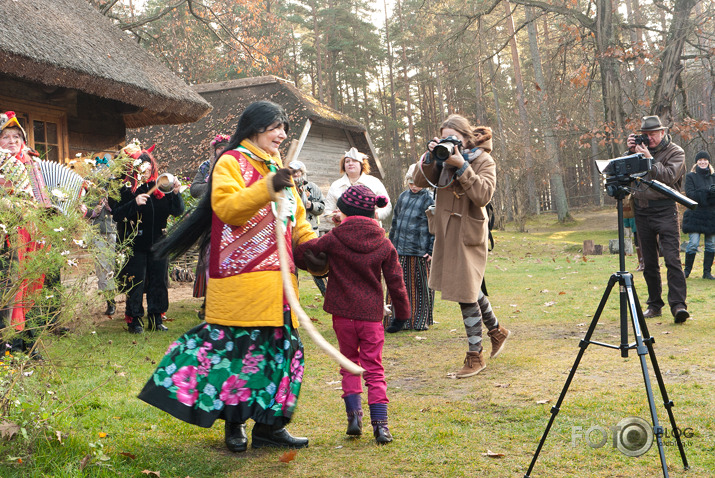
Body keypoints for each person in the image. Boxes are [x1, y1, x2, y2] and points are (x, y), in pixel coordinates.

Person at [138, 101, 318, 453]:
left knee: (281, 352)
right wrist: (268, 186)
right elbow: (228, 209)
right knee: (239, 352)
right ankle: (234, 427)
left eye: (284, 129)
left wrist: (312, 248)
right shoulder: (230, 162)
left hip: (280, 283)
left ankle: (270, 427)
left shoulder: (276, 167)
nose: (282, 134)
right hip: (241, 281)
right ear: (254, 128)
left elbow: (297, 218)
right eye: (275, 127)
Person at [294, 184, 410, 444]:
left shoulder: (335, 237)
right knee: (374, 368)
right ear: (372, 213)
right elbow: (396, 283)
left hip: (342, 314)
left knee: (349, 362)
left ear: (344, 211)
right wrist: (402, 315)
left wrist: (307, 261)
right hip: (371, 316)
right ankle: (381, 427)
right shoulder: (384, 242)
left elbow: (304, 251)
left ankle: (354, 417)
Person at [412, 114, 510, 378]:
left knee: (465, 293)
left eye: (453, 138)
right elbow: (418, 182)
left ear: (466, 138)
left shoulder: (483, 160)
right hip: (445, 232)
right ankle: (497, 332)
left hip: (468, 232)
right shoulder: (441, 160)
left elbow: (483, 195)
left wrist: (462, 167)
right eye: (444, 137)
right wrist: (431, 157)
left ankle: (475, 356)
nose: (449, 142)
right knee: (468, 288)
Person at [109, 144, 185, 334]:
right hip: (134, 242)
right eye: (141, 165)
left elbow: (177, 211)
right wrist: (134, 204)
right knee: (136, 281)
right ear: (132, 168)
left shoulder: (160, 186)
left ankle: (156, 317)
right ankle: (134, 319)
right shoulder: (122, 188)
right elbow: (117, 215)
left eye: (149, 165)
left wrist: (176, 194)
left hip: (158, 241)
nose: (147, 168)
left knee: (159, 280)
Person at [626, 116, 689, 323]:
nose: (650, 138)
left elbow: (669, 177)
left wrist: (649, 160)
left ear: (663, 132)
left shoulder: (676, 152)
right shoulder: (639, 151)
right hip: (642, 211)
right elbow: (625, 174)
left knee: (672, 259)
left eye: (653, 134)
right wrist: (630, 153)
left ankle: (678, 305)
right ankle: (654, 305)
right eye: (646, 134)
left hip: (665, 210)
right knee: (649, 263)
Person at [0, 111, 51, 356]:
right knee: (14, 287)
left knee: (33, 283)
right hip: (9, 233)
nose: (12, 141)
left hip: (33, 230)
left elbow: (44, 199)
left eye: (16, 137)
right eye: (6, 136)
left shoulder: (33, 163)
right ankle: (13, 344)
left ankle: (31, 342)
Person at [386, 163, 435, 332]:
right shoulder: (402, 196)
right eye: (410, 182)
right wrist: (390, 246)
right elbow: (395, 222)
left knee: (420, 288)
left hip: (419, 252)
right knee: (399, 286)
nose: (413, 186)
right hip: (399, 250)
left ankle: (420, 321)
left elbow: (435, 227)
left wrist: (431, 250)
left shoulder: (429, 198)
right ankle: (399, 320)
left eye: (417, 182)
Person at [190, 134, 230, 320]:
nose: (221, 151)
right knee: (208, 260)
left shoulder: (234, 164)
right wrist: (214, 186)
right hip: (209, 220)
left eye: (225, 147)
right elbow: (194, 189)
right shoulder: (206, 166)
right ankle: (208, 303)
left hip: (229, 220)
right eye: (219, 148)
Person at [80, 155, 117, 316]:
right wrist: (91, 211)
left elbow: (122, 208)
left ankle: (130, 301)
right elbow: (84, 210)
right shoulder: (89, 188)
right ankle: (111, 302)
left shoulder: (116, 186)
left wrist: (110, 204)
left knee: (118, 265)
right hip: (97, 231)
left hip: (115, 229)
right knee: (103, 267)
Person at [323, 148, 391, 227]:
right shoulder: (336, 185)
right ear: (343, 165)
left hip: (370, 230)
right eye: (347, 161)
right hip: (344, 232)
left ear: (361, 164)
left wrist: (374, 215)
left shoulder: (374, 182)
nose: (350, 163)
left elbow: (387, 206)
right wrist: (337, 217)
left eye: (354, 161)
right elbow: (327, 211)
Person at [289, 160, 328, 295]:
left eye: (298, 171)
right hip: (291, 232)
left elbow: (322, 207)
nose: (295, 174)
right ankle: (294, 295)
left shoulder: (312, 187)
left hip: (310, 231)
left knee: (314, 263)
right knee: (292, 268)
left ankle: (326, 293)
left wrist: (311, 205)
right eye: (292, 172)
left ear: (302, 172)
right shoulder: (286, 188)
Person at [682, 150, 715, 280]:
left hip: (711, 215)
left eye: (705, 160)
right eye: (700, 160)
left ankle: (707, 272)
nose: (703, 162)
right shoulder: (691, 176)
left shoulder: (713, 176)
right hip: (695, 214)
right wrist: (707, 191)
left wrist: (711, 195)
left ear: (708, 161)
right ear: (696, 162)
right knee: (693, 243)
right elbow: (690, 195)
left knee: (711, 244)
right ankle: (686, 271)